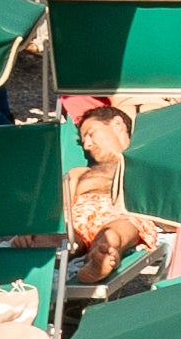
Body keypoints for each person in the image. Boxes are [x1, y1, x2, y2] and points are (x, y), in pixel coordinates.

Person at [65, 100, 162, 285]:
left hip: (123, 213)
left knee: (114, 233)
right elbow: (60, 206)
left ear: (117, 124)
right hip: (77, 218)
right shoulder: (80, 172)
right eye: (83, 139)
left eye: (91, 134)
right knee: (61, 238)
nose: (86, 144)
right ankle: (44, 255)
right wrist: (37, 232)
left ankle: (99, 259)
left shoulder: (147, 165)